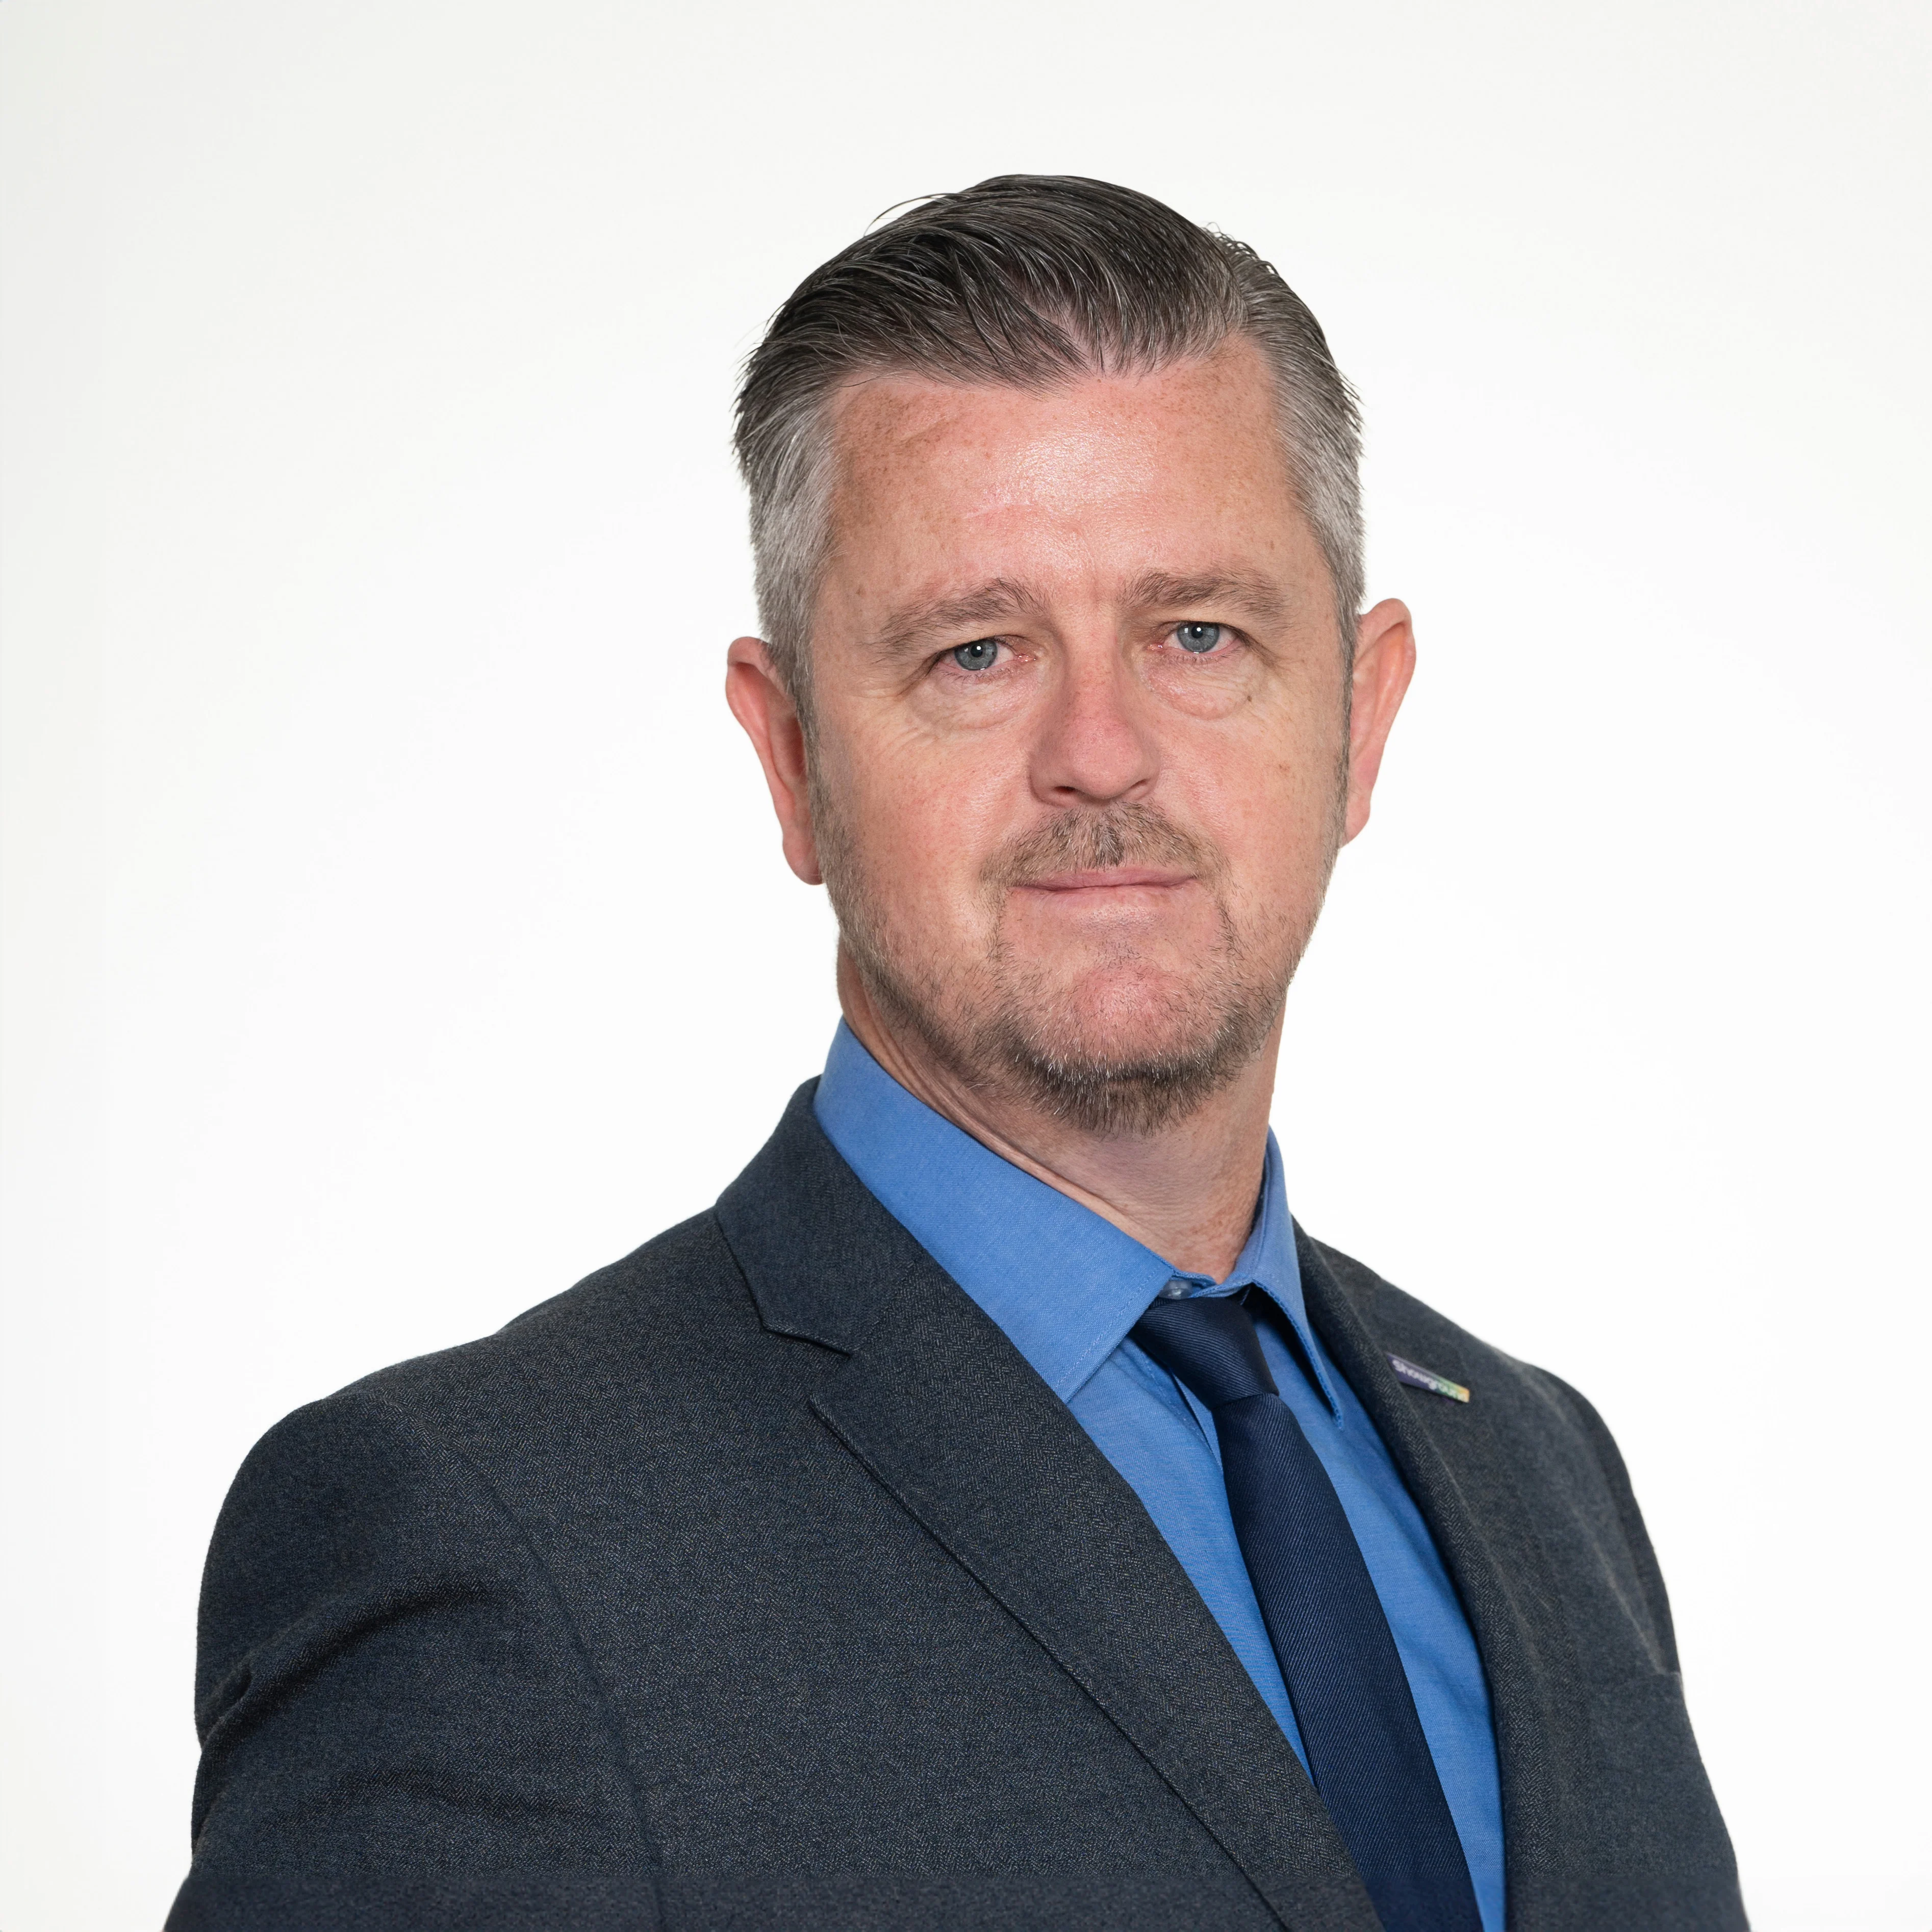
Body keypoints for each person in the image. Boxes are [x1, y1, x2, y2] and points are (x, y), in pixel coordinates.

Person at [167, 176, 1746, 1932]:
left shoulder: (1540, 1469)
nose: (1099, 752)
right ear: (790, 762)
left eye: (1197, 633)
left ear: (1360, 721)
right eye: (976, 650)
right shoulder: (484, 1535)